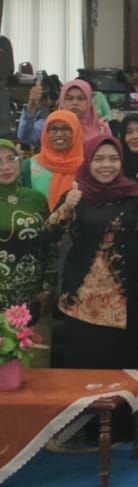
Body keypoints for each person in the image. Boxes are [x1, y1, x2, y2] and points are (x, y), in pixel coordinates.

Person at [52, 136, 138, 372]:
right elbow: (49, 236)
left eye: (113, 158)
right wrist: (67, 207)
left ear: (121, 161)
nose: (106, 165)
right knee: (84, 370)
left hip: (126, 298)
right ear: (87, 161)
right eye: (98, 159)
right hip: (82, 300)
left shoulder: (137, 197)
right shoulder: (76, 196)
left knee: (124, 371)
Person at [0, 140, 51, 364]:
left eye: (11, 159)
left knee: (32, 359)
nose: (5, 167)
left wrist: (48, 285)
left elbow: (48, 243)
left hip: (32, 295)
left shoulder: (36, 199)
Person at [19, 77, 110, 150]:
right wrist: (31, 104)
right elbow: (25, 136)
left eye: (81, 98)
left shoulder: (102, 129)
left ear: (89, 102)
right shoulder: (50, 125)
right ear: (62, 101)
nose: (75, 103)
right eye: (69, 98)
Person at [21, 110, 83, 209]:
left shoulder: (88, 167)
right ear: (45, 133)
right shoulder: (28, 167)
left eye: (66, 128)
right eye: (53, 129)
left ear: (76, 131)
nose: (59, 134)